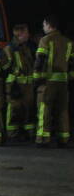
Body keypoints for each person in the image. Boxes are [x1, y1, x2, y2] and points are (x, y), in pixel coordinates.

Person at [34, 15, 73, 147]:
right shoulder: (68, 42)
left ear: (49, 25)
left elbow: (40, 59)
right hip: (63, 82)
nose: (43, 27)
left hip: (48, 81)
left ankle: (43, 139)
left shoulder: (46, 40)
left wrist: (37, 78)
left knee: (44, 109)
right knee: (62, 110)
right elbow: (72, 63)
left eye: (44, 25)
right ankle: (64, 139)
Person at [6, 23, 36, 142]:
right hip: (15, 85)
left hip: (28, 84)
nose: (28, 35)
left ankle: (29, 134)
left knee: (29, 110)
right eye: (26, 32)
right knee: (14, 110)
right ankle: (12, 134)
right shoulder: (10, 48)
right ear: (20, 34)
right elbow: (6, 67)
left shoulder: (28, 47)